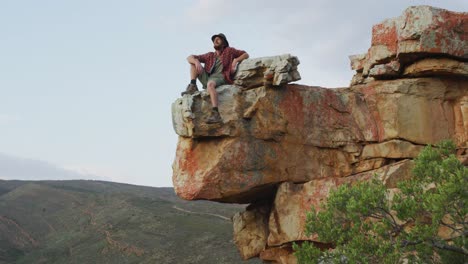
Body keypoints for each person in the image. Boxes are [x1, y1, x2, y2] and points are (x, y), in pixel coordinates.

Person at [182, 33, 249, 124]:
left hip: (221, 76)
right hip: (209, 77)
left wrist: (235, 60)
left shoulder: (229, 51)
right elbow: (189, 57)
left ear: (224, 43)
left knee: (210, 85)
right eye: (214, 40)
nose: (215, 41)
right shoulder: (210, 55)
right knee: (193, 63)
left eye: (218, 39)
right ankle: (193, 85)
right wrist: (196, 61)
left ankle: (215, 113)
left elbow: (245, 54)